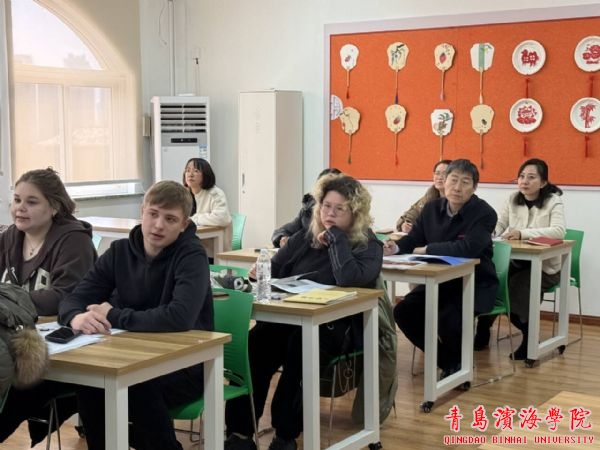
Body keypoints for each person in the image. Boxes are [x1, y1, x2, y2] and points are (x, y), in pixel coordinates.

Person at [225, 173, 383, 450]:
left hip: (336, 327)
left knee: (300, 349)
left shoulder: (369, 246)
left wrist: (336, 239)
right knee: (256, 345)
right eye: (326, 206)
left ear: (355, 214)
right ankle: (239, 432)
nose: (329, 214)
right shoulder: (306, 237)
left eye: (339, 209)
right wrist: (260, 272)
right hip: (290, 318)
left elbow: (349, 277)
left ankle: (285, 435)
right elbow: (275, 267)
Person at [58, 180, 213, 450]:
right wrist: (75, 317)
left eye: (170, 219)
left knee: (137, 385)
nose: (158, 225)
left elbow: (180, 316)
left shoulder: (192, 256)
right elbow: (75, 297)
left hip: (185, 365)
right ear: (142, 211)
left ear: (184, 224)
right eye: (153, 214)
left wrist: (114, 315)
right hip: (130, 356)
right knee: (93, 384)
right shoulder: (119, 251)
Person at [0, 168, 97, 445]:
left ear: (54, 206)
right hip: (20, 339)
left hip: (66, 349)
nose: (20, 208)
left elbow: (67, 296)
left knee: (12, 394)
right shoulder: (11, 236)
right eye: (17, 200)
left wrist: (12, 302)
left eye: (31, 202)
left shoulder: (74, 240)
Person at [384, 159, 498, 377]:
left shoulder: (485, 213)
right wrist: (395, 248)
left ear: (474, 187)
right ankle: (449, 362)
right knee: (403, 312)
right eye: (453, 180)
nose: (457, 187)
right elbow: (413, 238)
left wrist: (426, 249)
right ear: (444, 182)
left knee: (448, 316)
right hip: (439, 283)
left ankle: (458, 368)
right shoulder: (431, 208)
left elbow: (467, 248)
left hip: (474, 283)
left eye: (465, 182)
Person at [474, 158, 565, 359]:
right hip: (517, 261)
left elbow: (559, 231)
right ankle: (483, 328)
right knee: (491, 278)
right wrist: (488, 233)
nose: (524, 181)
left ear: (543, 182)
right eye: (521, 176)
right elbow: (500, 223)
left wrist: (523, 233)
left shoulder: (553, 201)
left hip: (546, 267)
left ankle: (529, 337)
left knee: (516, 285)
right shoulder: (513, 198)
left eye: (531, 177)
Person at [271, 167, 342, 248]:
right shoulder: (307, 212)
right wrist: (282, 238)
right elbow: (281, 231)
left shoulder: (346, 217)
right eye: (322, 190)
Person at [183, 157, 232, 253]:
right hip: (192, 247)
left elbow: (222, 218)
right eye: (187, 171)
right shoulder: (184, 194)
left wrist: (195, 219)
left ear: (205, 175)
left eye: (196, 171)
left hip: (214, 250)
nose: (190, 174)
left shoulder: (215, 193)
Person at [395, 159, 451, 233]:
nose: (440, 177)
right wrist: (405, 224)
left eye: (444, 173)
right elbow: (412, 214)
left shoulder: (458, 200)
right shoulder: (430, 196)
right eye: (437, 173)